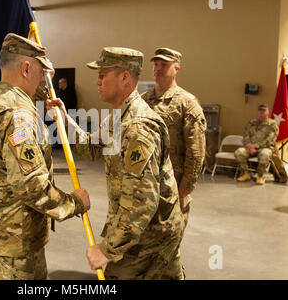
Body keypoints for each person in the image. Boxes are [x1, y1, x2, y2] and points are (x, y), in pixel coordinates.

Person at [47, 47, 185, 280]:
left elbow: (142, 201)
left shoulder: (138, 127)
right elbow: (92, 148)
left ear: (124, 78)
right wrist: (64, 119)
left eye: (103, 75)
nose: (97, 82)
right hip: (144, 231)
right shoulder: (118, 117)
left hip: (148, 237)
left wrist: (107, 249)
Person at [0, 33, 90, 280]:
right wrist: (74, 203)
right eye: (41, 73)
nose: (44, 81)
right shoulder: (19, 115)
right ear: (26, 68)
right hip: (16, 239)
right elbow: (32, 187)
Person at [141, 47, 206, 227]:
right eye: (156, 64)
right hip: (145, 185)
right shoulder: (143, 100)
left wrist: (188, 184)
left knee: (169, 239)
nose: (158, 68)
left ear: (176, 69)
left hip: (174, 185)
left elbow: (196, 149)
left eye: (164, 64)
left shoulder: (186, 102)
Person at [235, 104, 278, 185]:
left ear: (267, 112)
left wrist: (256, 146)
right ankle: (245, 173)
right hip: (250, 147)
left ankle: (260, 176)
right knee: (239, 152)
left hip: (264, 148)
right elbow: (246, 135)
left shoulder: (272, 124)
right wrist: (249, 145)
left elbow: (270, 140)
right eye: (260, 111)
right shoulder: (252, 123)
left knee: (265, 154)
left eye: (264, 111)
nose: (261, 113)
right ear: (258, 112)